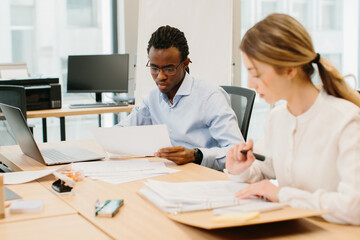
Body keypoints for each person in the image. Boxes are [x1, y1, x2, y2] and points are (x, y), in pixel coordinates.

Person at [225, 13, 360, 225]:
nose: (251, 84)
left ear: (289, 69)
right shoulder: (277, 118)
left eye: (256, 74)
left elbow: (354, 207)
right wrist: (241, 170)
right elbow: (263, 170)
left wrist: (282, 195)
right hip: (293, 228)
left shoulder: (347, 121)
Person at [117, 25, 243, 170]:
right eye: (154, 68)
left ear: (185, 64)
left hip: (202, 176)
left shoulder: (210, 97)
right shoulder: (152, 98)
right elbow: (122, 130)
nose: (160, 77)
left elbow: (238, 151)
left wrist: (196, 155)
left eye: (169, 69)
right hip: (167, 174)